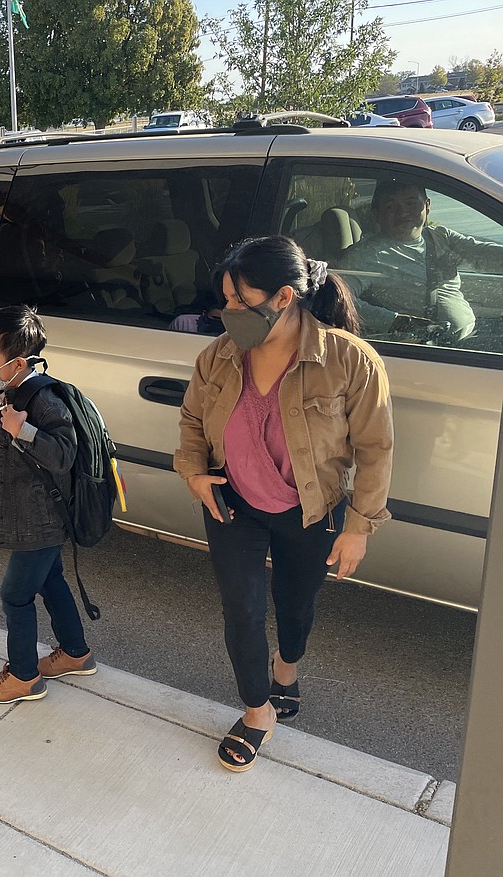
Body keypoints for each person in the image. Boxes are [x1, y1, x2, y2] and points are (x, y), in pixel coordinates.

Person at [175, 236, 393, 772]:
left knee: (295, 603)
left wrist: (359, 527)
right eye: (225, 299)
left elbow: (375, 447)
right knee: (242, 608)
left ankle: (287, 669)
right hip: (233, 506)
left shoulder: (348, 360)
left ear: (284, 297)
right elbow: (192, 424)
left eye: (239, 301)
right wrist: (196, 475)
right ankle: (257, 711)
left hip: (311, 511)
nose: (228, 312)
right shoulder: (218, 356)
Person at [0, 305, 96, 704]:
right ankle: (75, 654)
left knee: (15, 595)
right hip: (31, 514)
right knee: (50, 581)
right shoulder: (11, 388)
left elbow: (63, 454)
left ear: (15, 362)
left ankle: (24, 677)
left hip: (40, 517)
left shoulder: (44, 401)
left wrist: (24, 430)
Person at [339, 178, 503, 343]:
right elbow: (340, 298)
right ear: (376, 215)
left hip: (469, 336)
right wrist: (395, 322)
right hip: (427, 350)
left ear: (427, 206)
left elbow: (484, 254)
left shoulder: (441, 237)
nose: (403, 213)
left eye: (411, 204)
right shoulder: (365, 254)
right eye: (391, 207)